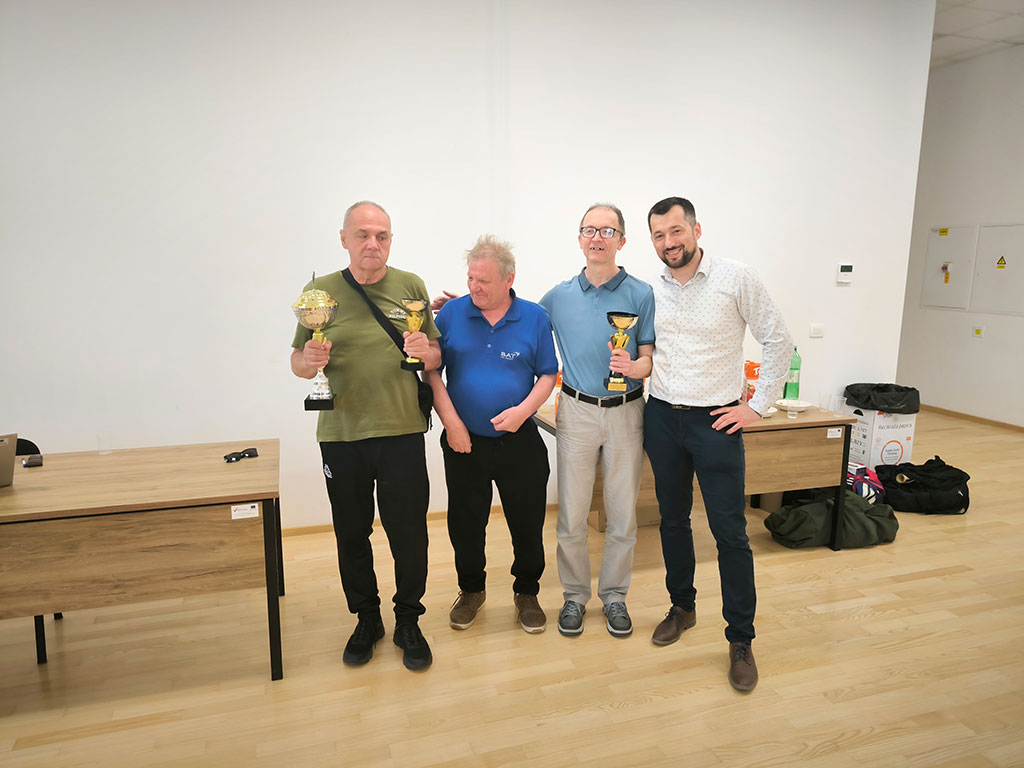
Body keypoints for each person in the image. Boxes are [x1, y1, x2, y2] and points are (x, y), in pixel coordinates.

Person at [643, 196, 793, 691]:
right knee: (671, 521)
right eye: (659, 235)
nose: (669, 242)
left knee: (730, 533)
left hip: (717, 422)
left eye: (676, 231)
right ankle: (681, 607)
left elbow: (778, 338)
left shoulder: (736, 277)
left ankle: (740, 640)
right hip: (662, 417)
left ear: (696, 230)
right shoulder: (650, 289)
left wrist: (758, 406)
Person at [290, 200, 441, 672]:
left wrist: (426, 349)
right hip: (342, 434)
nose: (372, 243)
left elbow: (434, 356)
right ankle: (367, 618)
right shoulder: (319, 292)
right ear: (344, 239)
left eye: (382, 235)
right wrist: (308, 363)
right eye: (362, 234)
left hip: (401, 432)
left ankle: (408, 619)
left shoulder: (410, 286)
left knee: (409, 533)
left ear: (390, 240)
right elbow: (297, 362)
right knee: (352, 532)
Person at [425, 235, 558, 634]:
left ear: (508, 279)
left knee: (527, 523)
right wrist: (452, 423)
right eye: (470, 278)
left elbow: (547, 374)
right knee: (465, 524)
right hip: (464, 442)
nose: (474, 287)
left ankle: (527, 592)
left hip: (519, 441)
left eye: (483, 280)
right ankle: (471, 591)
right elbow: (431, 372)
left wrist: (522, 412)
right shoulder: (451, 314)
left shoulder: (534, 317)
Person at [539, 204, 655, 638]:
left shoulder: (642, 294)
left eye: (607, 231)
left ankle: (615, 597)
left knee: (622, 513)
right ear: (580, 239)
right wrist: (468, 306)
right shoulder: (559, 296)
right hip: (576, 411)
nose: (597, 237)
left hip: (628, 411)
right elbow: (518, 320)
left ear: (622, 240)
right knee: (571, 513)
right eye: (589, 230)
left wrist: (634, 367)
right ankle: (573, 596)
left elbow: (648, 359)